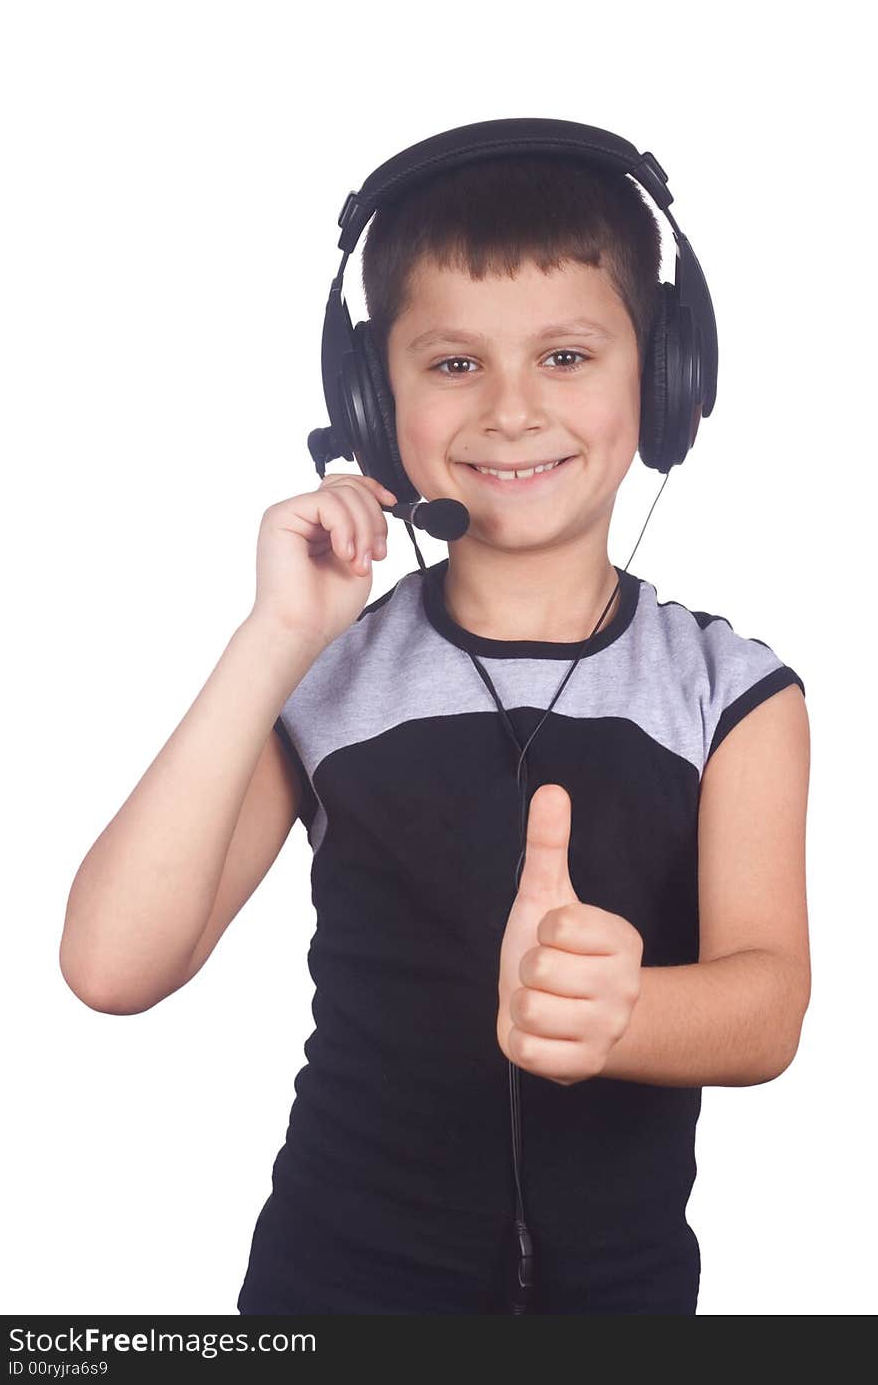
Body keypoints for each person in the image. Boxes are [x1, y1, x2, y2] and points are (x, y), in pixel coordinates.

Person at [60, 150, 811, 1316]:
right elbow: (112, 965)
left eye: (565, 356)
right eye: (453, 363)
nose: (511, 409)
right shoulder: (323, 677)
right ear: (369, 400)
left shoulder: (731, 692)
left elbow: (768, 1004)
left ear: (667, 381)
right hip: (333, 1287)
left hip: (622, 1301)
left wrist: (626, 1014)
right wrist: (277, 635)